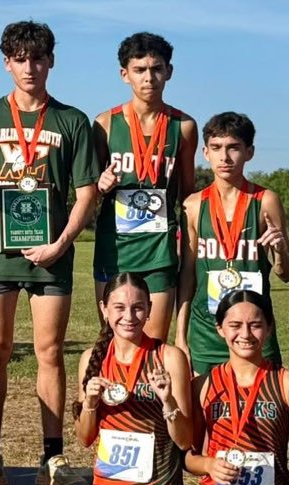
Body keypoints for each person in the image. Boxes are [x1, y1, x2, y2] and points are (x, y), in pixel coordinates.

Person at [0, 20, 100, 485]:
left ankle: (52, 459)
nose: (29, 67)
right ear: (6, 63)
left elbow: (87, 193)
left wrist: (61, 244)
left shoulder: (71, 120)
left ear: (50, 61)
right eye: (20, 58)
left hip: (51, 254)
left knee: (49, 353)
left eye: (37, 58)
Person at [91, 32, 198, 342]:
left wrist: (189, 243)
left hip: (159, 249)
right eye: (139, 70)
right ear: (124, 74)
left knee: (153, 343)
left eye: (156, 68)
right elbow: (87, 192)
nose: (149, 78)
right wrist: (100, 184)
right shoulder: (105, 124)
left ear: (169, 71)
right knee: (113, 339)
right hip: (114, 247)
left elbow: (188, 195)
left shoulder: (183, 126)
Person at [175, 112, 289, 376]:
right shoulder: (193, 206)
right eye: (216, 148)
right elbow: (187, 276)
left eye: (233, 147)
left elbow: (286, 273)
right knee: (205, 400)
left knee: (264, 397)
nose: (224, 157)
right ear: (205, 152)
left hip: (254, 330)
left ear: (249, 152)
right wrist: (180, 336)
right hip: (206, 332)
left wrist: (280, 251)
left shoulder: (266, 201)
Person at [186, 289, 289, 485]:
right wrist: (208, 465)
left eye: (255, 325)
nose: (245, 334)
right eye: (235, 325)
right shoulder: (203, 386)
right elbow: (189, 458)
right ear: (220, 329)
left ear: (269, 328)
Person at [73, 272, 193, 485]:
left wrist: (168, 402)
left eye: (137, 308)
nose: (129, 317)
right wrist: (89, 403)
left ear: (149, 309)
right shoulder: (91, 359)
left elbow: (185, 440)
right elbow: (84, 439)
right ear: (104, 309)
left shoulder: (168, 358)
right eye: (119, 308)